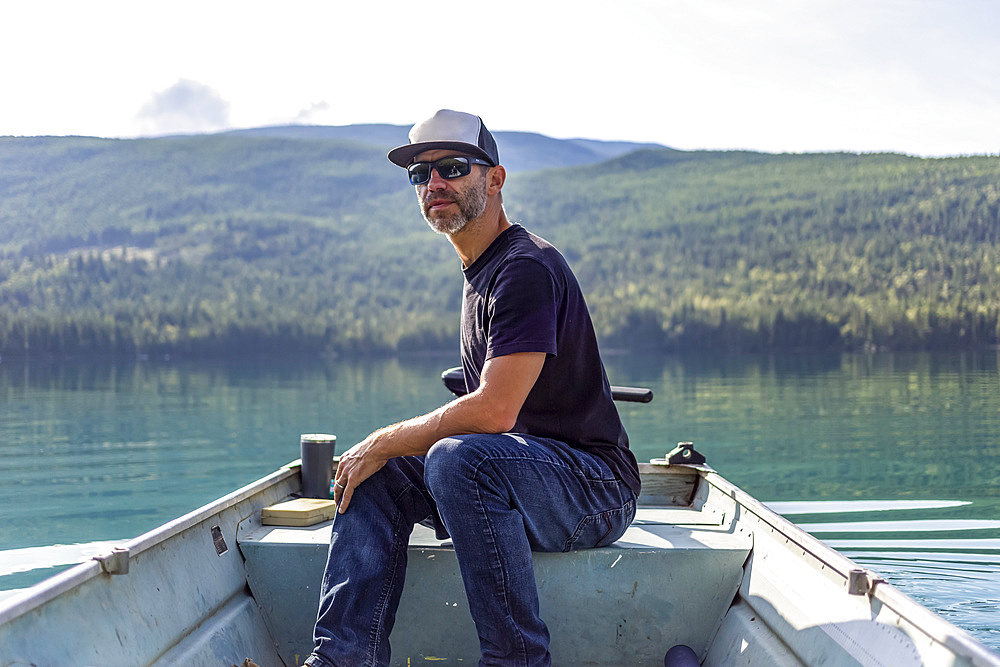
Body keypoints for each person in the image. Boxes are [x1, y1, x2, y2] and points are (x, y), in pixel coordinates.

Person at [304, 109, 640, 667]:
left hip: (596, 488)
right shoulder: (479, 271)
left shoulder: (524, 267)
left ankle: (516, 661)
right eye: (420, 174)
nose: (434, 183)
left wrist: (387, 437)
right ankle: (342, 660)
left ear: (495, 179)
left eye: (453, 168)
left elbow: (494, 412)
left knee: (458, 460)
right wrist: (379, 452)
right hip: (525, 473)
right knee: (371, 473)